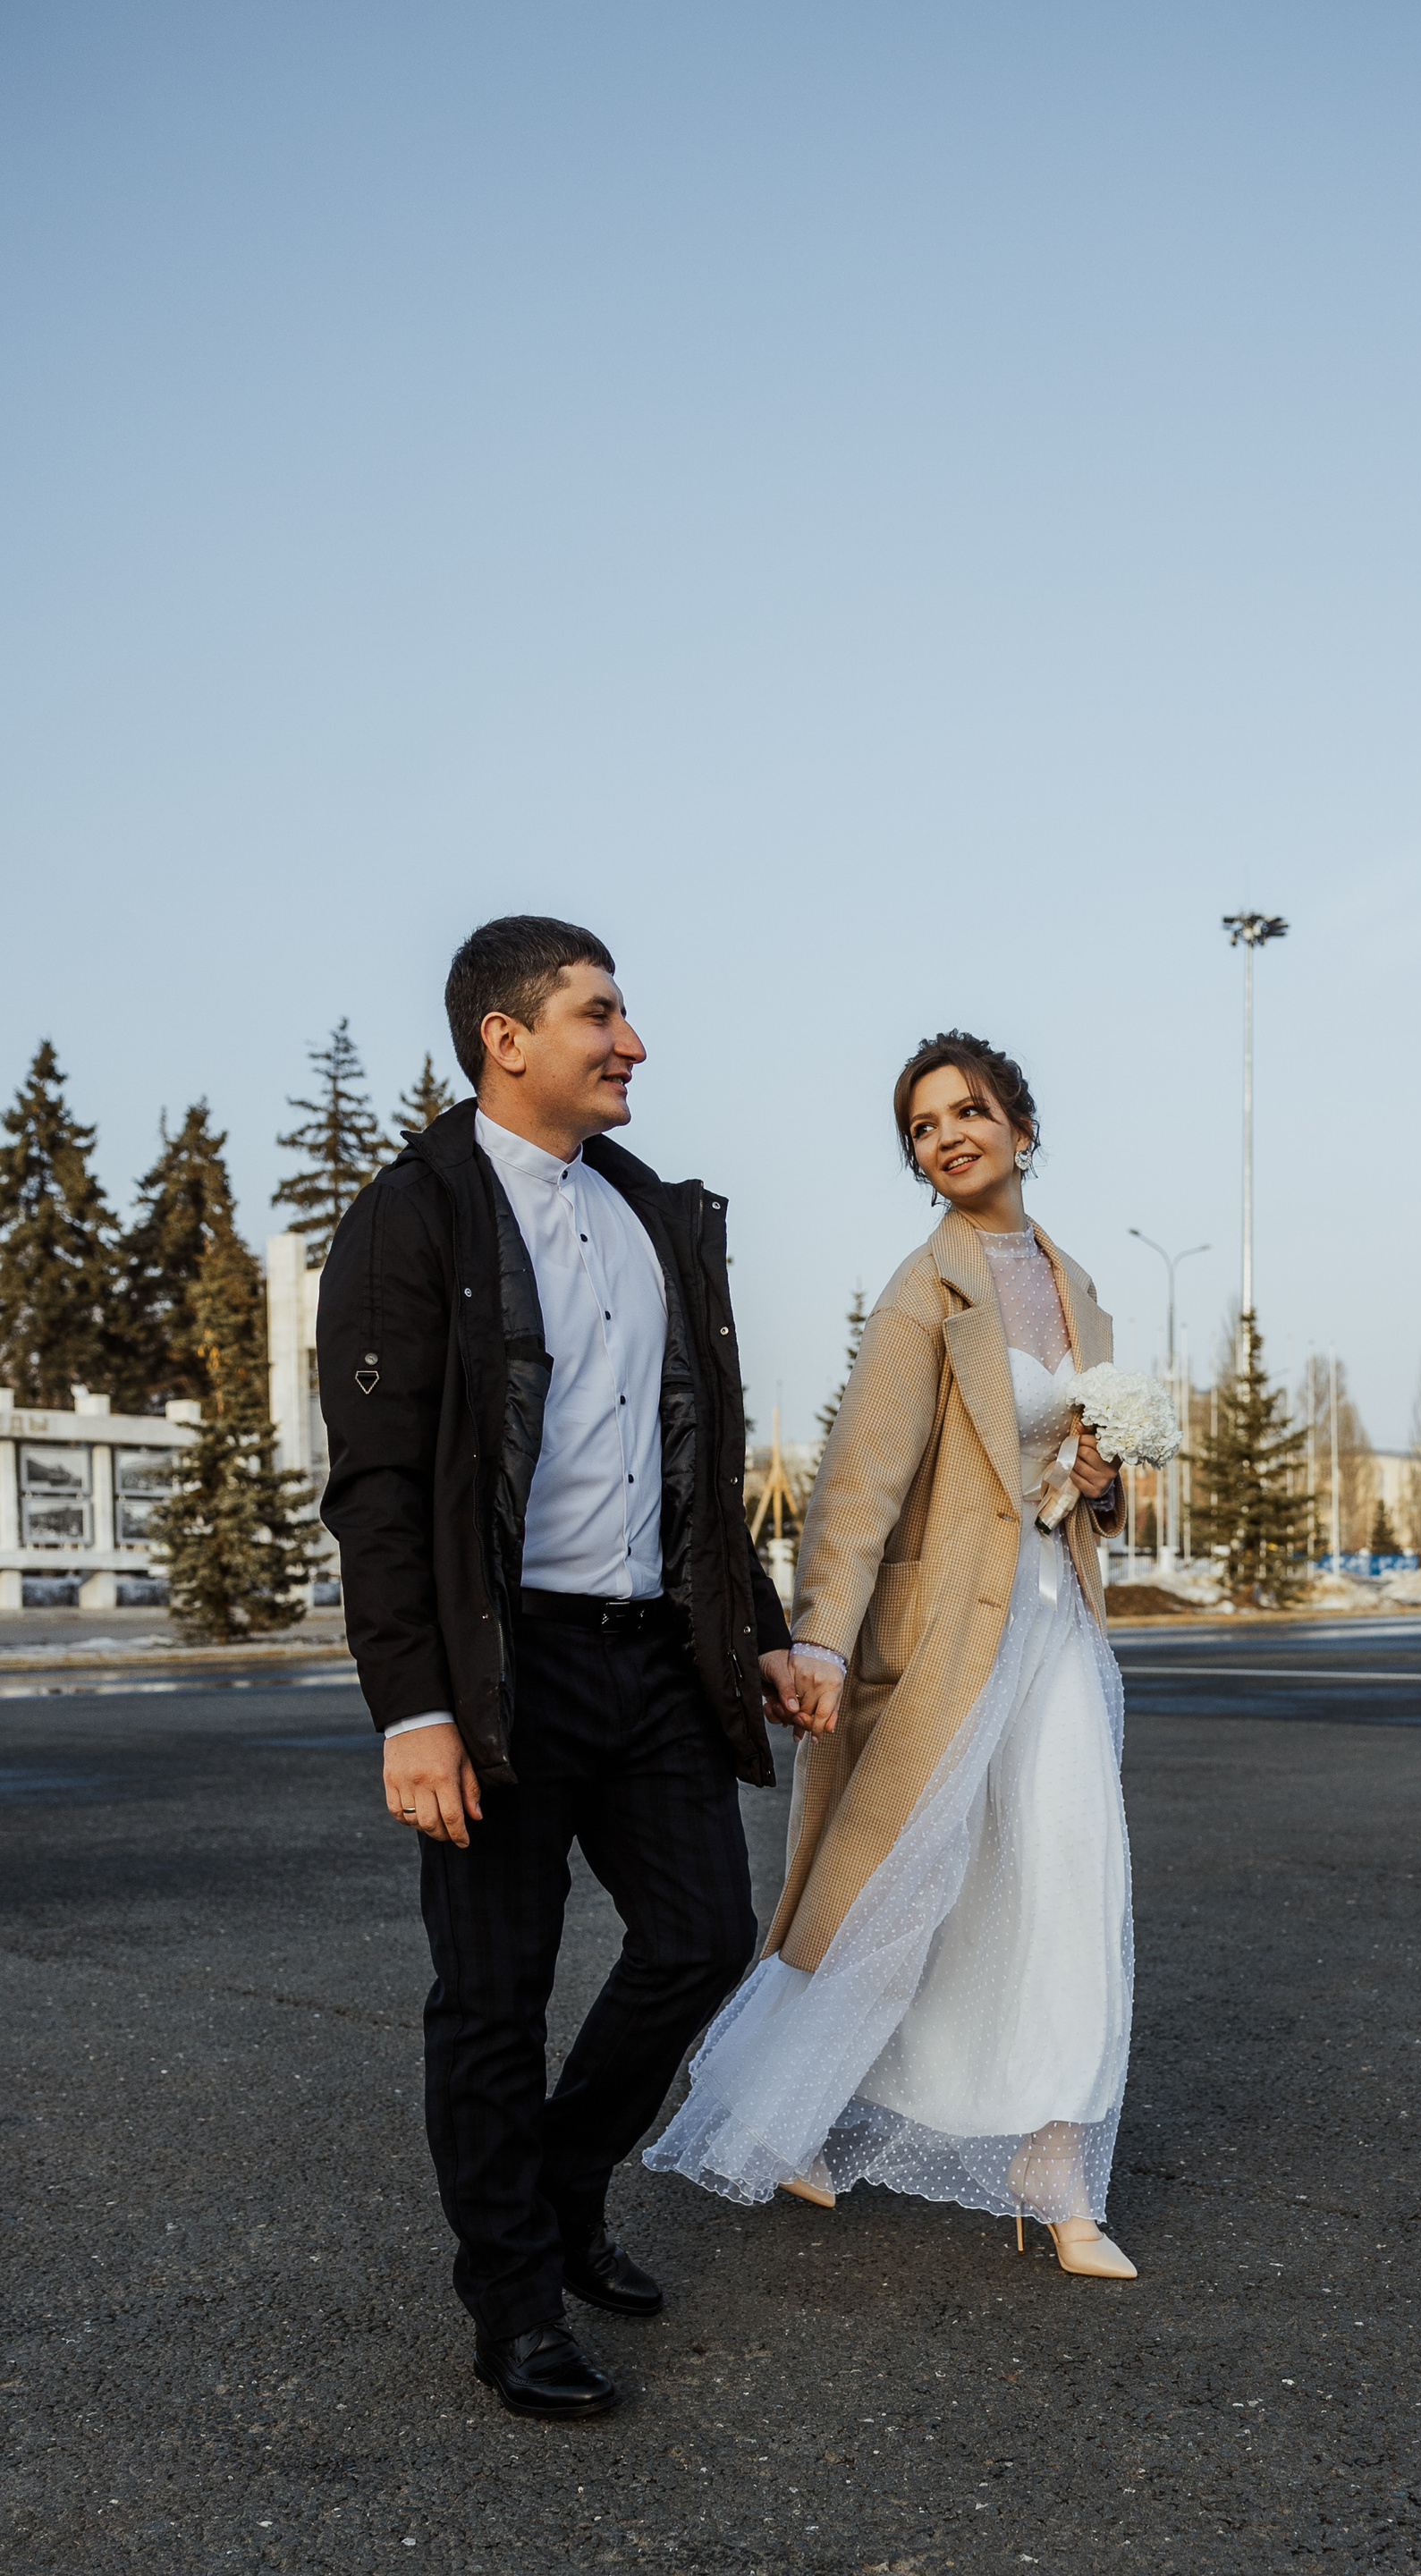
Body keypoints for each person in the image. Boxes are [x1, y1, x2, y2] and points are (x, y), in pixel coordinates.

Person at [317, 915, 799, 2424]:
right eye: (601, 1014)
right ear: (505, 1037)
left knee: (702, 1939)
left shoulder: (650, 1210)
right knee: (492, 1998)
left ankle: (565, 2177)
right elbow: (379, 1490)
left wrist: (760, 1631)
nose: (632, 1042)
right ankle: (516, 2306)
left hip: (651, 1655)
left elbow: (700, 1461)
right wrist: (415, 1707)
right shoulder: (414, 1218)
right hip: (501, 1666)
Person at [647, 1030, 1138, 2279]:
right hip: (947, 1636)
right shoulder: (926, 1291)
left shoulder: (1083, 1286)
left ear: (1021, 1126)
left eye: (968, 1111)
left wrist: (1100, 1482)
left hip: (1057, 1628)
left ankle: (1055, 2165)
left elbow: (1083, 1477)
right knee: (898, 1887)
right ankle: (789, 2116)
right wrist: (818, 1636)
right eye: (924, 1127)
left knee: (1069, 1871)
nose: (948, 1137)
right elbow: (861, 1482)